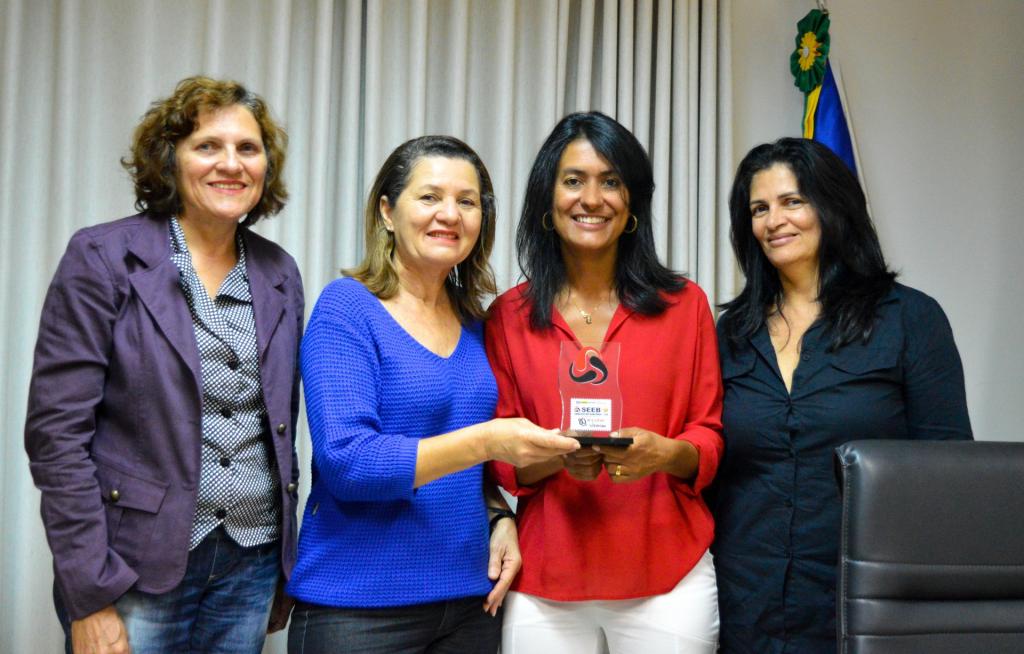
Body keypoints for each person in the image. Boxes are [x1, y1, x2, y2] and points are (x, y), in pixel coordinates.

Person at [24, 76, 304, 653]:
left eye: (248, 148)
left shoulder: (279, 271)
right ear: (170, 158)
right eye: (208, 146)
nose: (231, 163)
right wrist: (89, 593)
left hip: (251, 561)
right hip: (132, 566)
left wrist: (281, 568)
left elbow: (278, 426)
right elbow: (57, 437)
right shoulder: (103, 258)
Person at [286, 135, 580, 654]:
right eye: (429, 197)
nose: (450, 214)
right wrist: (488, 440)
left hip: (471, 602)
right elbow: (349, 463)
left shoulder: (478, 324)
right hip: (360, 610)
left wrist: (500, 514)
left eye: (467, 201)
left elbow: (470, 469)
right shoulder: (347, 309)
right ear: (387, 211)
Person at [713, 137, 973, 653]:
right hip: (746, 602)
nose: (774, 221)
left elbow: (947, 473)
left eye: (792, 201)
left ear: (832, 206)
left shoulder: (910, 318)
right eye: (759, 209)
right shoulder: (731, 332)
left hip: (866, 602)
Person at [486, 111, 724, 653]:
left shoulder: (685, 306)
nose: (591, 199)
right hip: (546, 579)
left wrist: (663, 453)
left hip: (668, 574)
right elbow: (502, 460)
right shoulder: (508, 317)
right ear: (548, 199)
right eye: (574, 180)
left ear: (632, 202)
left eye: (611, 181)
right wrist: (558, 457)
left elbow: (708, 437)